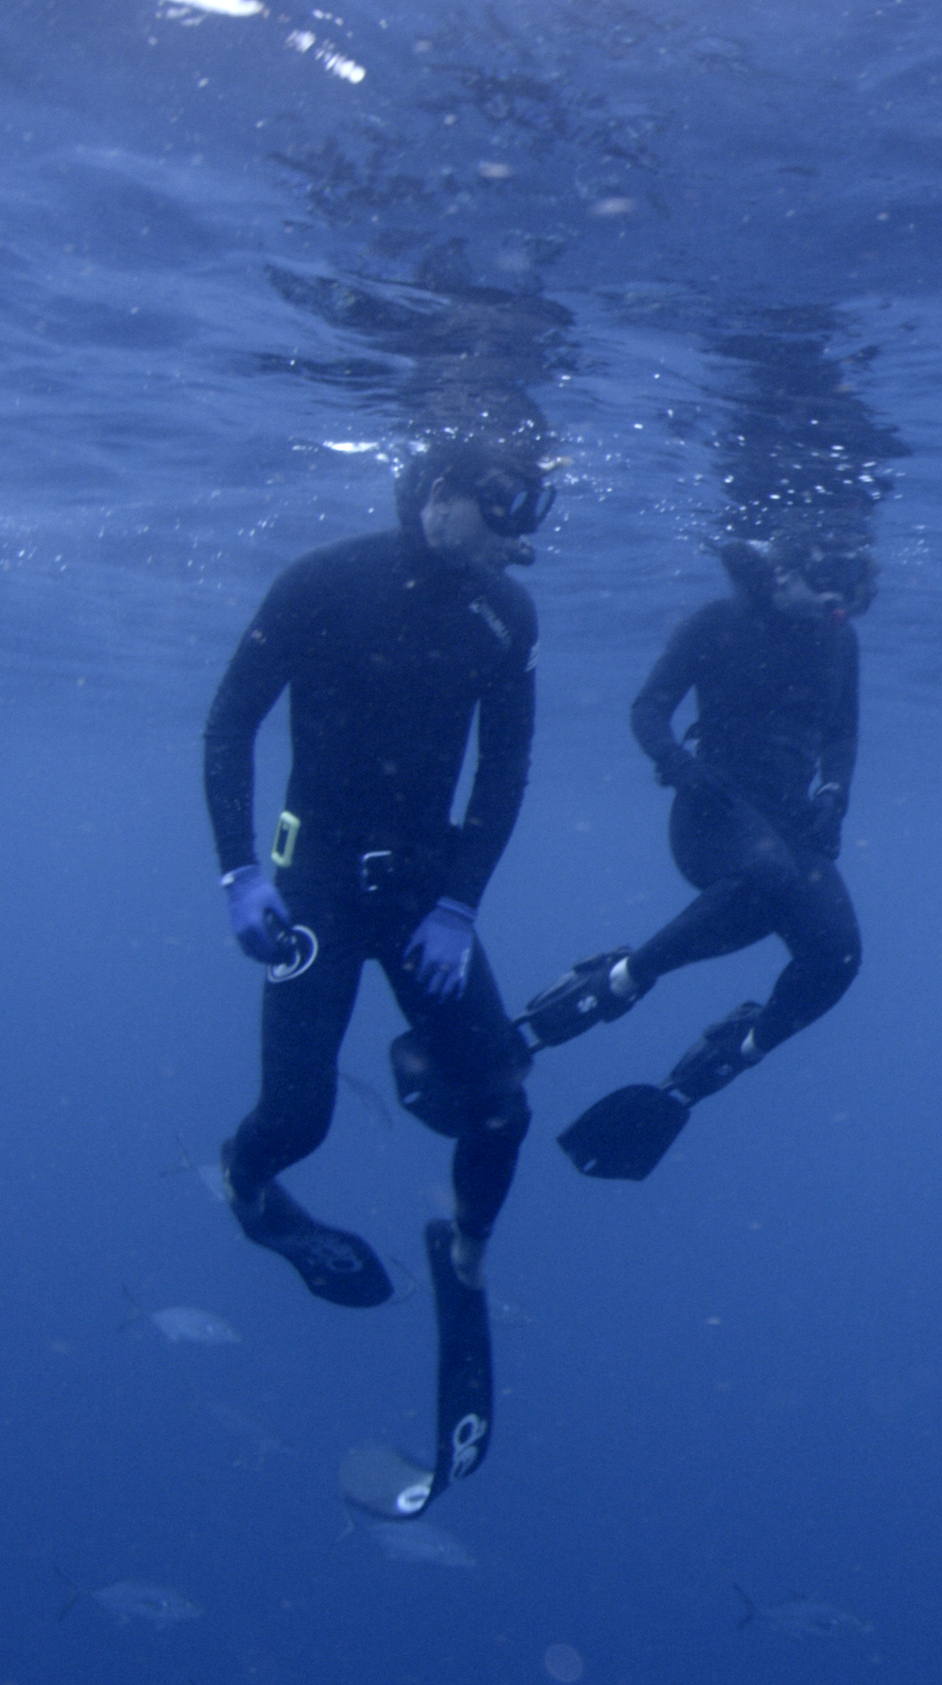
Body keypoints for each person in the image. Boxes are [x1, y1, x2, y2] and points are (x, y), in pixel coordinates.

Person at [204, 438, 550, 1501]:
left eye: (529, 516)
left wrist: (458, 905)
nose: (513, 538)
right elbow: (231, 723)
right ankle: (248, 1182)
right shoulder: (322, 580)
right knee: (298, 1117)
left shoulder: (506, 616)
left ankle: (466, 1253)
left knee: (500, 1106)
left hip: (421, 893)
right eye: (500, 509)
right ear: (441, 493)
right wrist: (239, 872)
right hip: (312, 883)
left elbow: (505, 768)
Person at [519, 529, 865, 1141]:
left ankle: (740, 1049)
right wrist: (677, 764)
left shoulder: (840, 639)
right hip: (711, 813)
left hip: (792, 825)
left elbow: (842, 732)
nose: (833, 604)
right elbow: (648, 707)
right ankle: (620, 981)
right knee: (768, 875)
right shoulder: (717, 622)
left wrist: (833, 794)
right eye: (823, 587)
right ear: (783, 574)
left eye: (845, 591)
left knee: (838, 955)